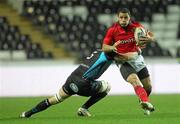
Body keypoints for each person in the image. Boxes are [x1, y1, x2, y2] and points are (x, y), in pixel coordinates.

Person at [20, 49, 129, 118]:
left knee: (55, 99)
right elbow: (122, 57)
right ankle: (84, 108)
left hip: (72, 79)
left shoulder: (98, 51)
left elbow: (115, 55)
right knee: (107, 87)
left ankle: (27, 113)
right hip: (84, 84)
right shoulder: (108, 55)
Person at [102, 8, 155, 115]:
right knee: (134, 80)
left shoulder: (137, 27)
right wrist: (111, 48)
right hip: (122, 60)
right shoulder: (112, 30)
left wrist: (150, 39)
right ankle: (145, 102)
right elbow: (104, 47)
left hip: (136, 58)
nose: (123, 20)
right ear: (118, 17)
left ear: (129, 17)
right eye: (121, 17)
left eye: (126, 17)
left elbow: (151, 35)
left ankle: (142, 99)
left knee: (148, 86)